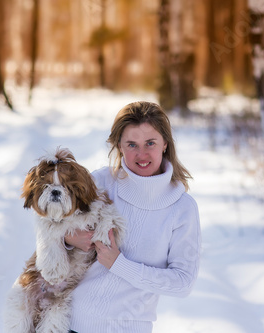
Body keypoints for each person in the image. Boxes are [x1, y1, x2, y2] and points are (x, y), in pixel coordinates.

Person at [64, 101, 201, 333]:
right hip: (71, 324)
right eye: (131, 144)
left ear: (165, 143)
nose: (142, 154)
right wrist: (68, 239)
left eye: (150, 143)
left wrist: (119, 265)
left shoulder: (182, 208)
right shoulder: (99, 184)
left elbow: (183, 283)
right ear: (119, 146)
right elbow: (48, 227)